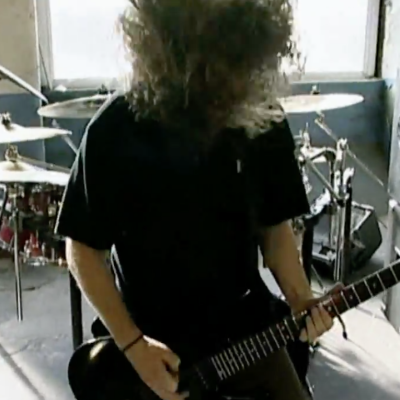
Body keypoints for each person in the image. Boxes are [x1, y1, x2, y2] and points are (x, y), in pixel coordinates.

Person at [56, 1, 338, 399]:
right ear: (175, 56)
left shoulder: (261, 117)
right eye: (219, 68)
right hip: (152, 342)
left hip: (245, 332)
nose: (233, 84)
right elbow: (82, 250)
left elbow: (274, 228)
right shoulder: (114, 128)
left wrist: (301, 298)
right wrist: (134, 347)